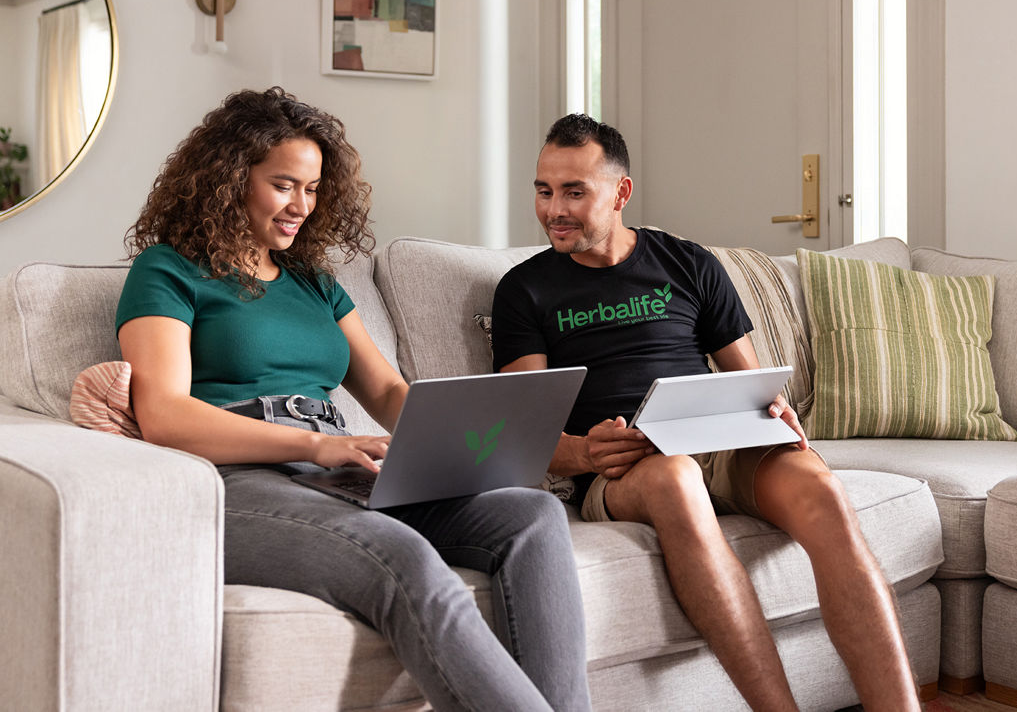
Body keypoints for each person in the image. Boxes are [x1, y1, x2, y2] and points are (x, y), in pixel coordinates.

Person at [116, 88, 591, 712]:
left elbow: (389, 390)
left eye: (312, 190)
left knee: (531, 515)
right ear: (230, 179)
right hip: (235, 481)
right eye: (283, 185)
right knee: (402, 556)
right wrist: (317, 442)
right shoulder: (167, 271)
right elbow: (164, 414)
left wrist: (467, 431)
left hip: (338, 470)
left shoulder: (313, 282)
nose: (300, 207)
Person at [491, 113, 921, 712]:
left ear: (621, 192)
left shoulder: (688, 263)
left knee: (824, 494)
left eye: (574, 192)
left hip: (719, 442)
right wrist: (585, 450)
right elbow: (522, 433)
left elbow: (751, 379)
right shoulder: (523, 291)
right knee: (676, 477)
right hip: (624, 468)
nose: (554, 210)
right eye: (544, 191)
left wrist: (771, 406)